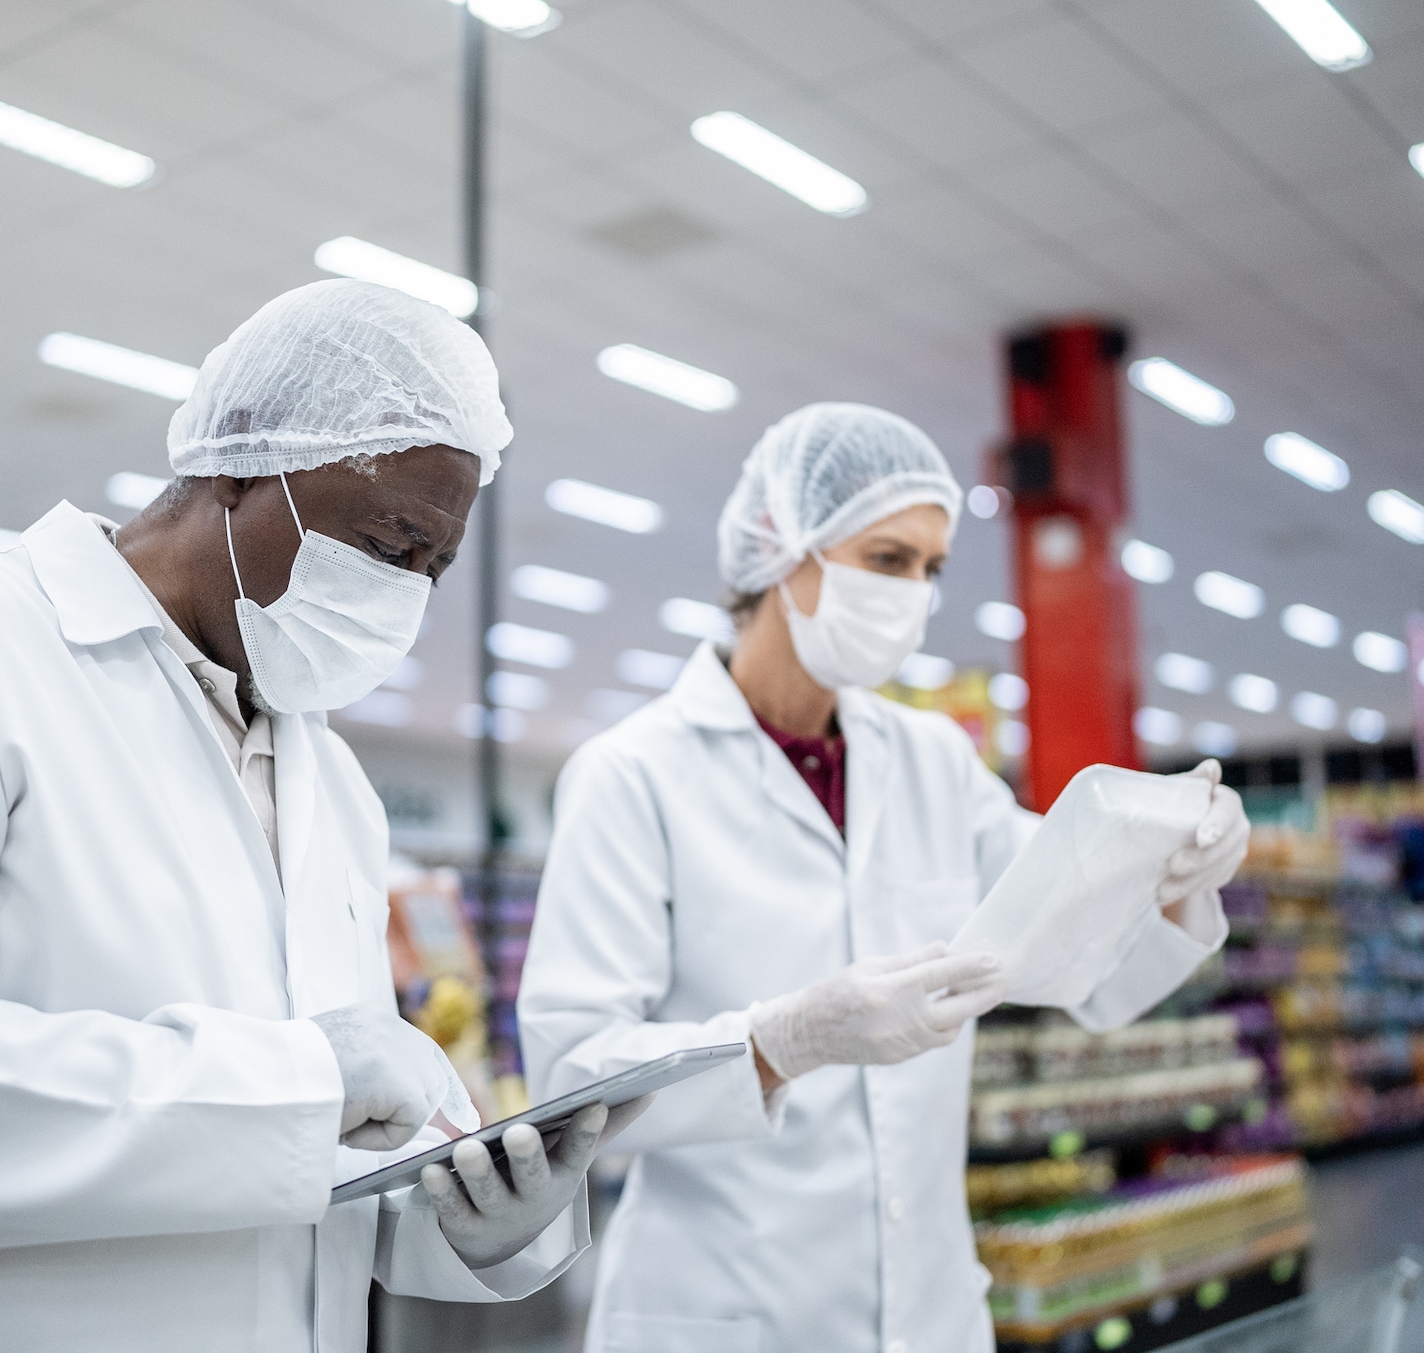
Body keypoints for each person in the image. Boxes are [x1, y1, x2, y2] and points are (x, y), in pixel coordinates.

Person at [0, 279, 644, 1352]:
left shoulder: (331, 783)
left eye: (431, 569)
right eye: (389, 541)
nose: (404, 592)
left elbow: (299, 1171)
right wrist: (291, 1090)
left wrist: (466, 1218)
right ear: (240, 456)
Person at [517, 402, 1249, 1353]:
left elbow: (1086, 964)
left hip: (930, 1309)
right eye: (889, 559)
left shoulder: (936, 762)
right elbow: (570, 1077)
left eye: (932, 569)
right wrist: (781, 1042)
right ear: (783, 545)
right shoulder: (633, 774)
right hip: (727, 1310)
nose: (914, 592)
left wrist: (1177, 866)